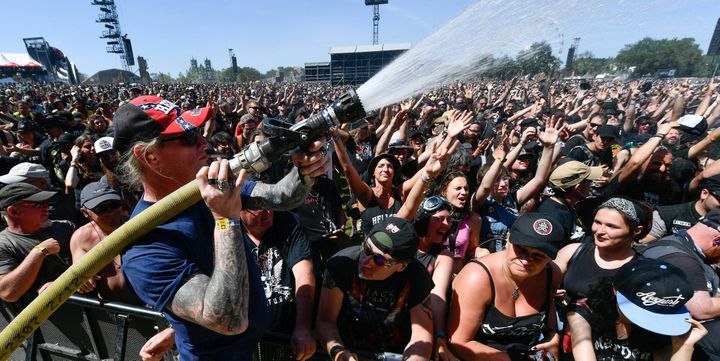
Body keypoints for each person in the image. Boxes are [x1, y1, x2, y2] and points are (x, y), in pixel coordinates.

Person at [115, 95, 330, 360]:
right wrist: (226, 219)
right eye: (187, 138)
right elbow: (229, 320)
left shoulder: (206, 186)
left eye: (196, 132)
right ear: (149, 156)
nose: (203, 143)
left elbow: (281, 197)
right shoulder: (144, 248)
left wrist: (304, 171)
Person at [316, 139, 456, 361]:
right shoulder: (342, 264)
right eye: (367, 251)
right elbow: (324, 321)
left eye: (379, 261)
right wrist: (338, 352)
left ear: (401, 266)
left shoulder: (415, 275)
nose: (366, 261)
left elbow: (421, 331)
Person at [448, 213, 563, 360]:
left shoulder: (551, 274)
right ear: (508, 240)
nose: (526, 260)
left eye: (538, 256)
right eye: (521, 249)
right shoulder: (477, 277)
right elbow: (458, 342)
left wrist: (551, 335)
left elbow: (549, 308)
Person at [564, 258, 707, 361]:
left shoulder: (660, 329)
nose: (650, 322)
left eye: (657, 315)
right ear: (616, 290)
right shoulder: (585, 312)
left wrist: (684, 346)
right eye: (643, 311)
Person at [637, 209, 720, 359]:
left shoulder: (680, 244)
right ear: (717, 240)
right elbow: (702, 309)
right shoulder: (681, 260)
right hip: (671, 340)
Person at [239, 208, 316, 360]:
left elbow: (304, 273)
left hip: (288, 337)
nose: (267, 211)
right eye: (258, 207)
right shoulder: (227, 232)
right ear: (238, 208)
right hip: (246, 341)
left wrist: (303, 327)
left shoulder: (289, 222)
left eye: (270, 204)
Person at [0, 183, 86, 305]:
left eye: (46, 202)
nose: (47, 207)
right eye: (38, 204)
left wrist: (62, 284)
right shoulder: (4, 244)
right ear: (13, 211)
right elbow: (8, 293)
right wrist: (39, 252)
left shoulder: (64, 227)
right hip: (48, 321)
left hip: (93, 313)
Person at [70, 181, 136, 303]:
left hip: (149, 304)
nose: (110, 212)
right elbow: (79, 272)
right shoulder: (81, 238)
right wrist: (84, 279)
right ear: (85, 213)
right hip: (112, 308)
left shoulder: (137, 225)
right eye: (101, 209)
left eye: (114, 205)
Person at [413, 195, 458, 361]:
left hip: (422, 321)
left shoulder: (444, 256)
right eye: (439, 219)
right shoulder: (404, 245)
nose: (446, 225)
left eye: (449, 220)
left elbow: (437, 296)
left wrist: (439, 335)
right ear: (423, 220)